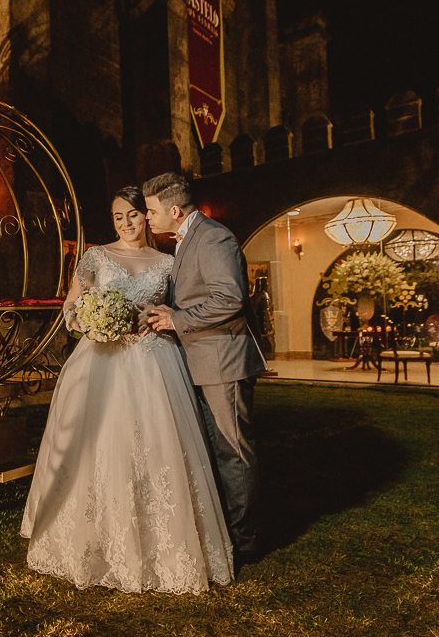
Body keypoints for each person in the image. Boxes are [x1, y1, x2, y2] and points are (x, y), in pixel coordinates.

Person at [20, 187, 233, 594]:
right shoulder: (96, 257)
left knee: (158, 444)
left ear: (147, 217)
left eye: (133, 215)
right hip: (101, 362)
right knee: (99, 445)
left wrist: (168, 318)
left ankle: (162, 544)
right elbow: (70, 308)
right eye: (118, 217)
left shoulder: (168, 263)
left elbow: (183, 309)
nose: (126, 224)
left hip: (155, 362)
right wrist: (92, 324)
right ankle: (92, 539)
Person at [140, 172, 267, 567]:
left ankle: (246, 542)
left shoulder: (214, 237)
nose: (146, 218)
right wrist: (169, 314)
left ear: (174, 210)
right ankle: (226, 532)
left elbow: (229, 298)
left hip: (222, 360)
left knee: (233, 452)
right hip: (199, 361)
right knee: (214, 450)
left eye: (150, 211)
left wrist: (178, 320)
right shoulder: (188, 239)